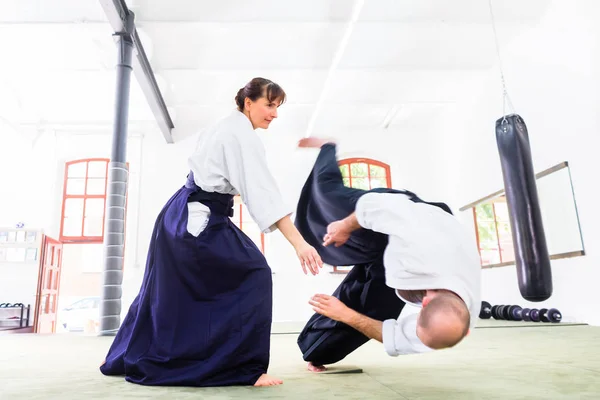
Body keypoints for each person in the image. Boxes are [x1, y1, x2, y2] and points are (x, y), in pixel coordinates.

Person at [99, 78, 323, 387]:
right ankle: (245, 369)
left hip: (179, 213)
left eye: (277, 107)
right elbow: (264, 194)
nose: (274, 114)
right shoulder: (241, 136)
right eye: (269, 105)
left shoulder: (224, 127)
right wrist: (300, 244)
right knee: (255, 273)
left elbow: (223, 178)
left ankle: (122, 355)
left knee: (162, 287)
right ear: (249, 103)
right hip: (197, 221)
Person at [294, 137, 481, 372]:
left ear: (467, 329)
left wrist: (345, 314)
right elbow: (381, 207)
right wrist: (344, 226)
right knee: (326, 197)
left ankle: (319, 349)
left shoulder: (458, 319)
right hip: (396, 214)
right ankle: (327, 148)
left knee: (320, 349)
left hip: (396, 261)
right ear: (423, 302)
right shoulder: (423, 249)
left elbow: (397, 337)